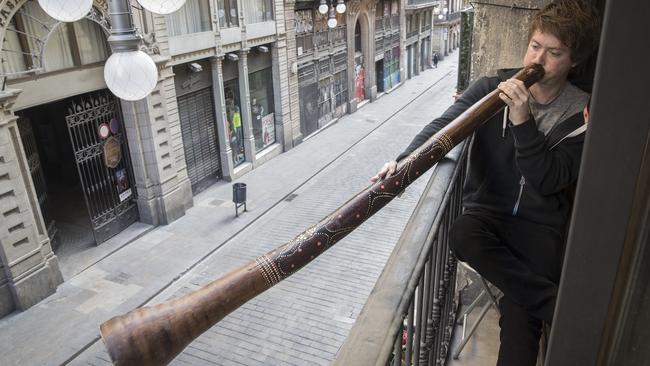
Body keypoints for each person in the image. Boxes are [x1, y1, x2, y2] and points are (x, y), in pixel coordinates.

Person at [371, 1, 600, 365]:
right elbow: (444, 126)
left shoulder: (584, 112)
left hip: (540, 227)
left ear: (574, 60)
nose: (538, 60)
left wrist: (523, 121)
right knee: (463, 233)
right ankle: (557, 307)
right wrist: (403, 161)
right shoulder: (494, 87)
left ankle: (544, 304)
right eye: (535, 46)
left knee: (521, 325)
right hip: (488, 214)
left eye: (554, 53)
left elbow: (548, 178)